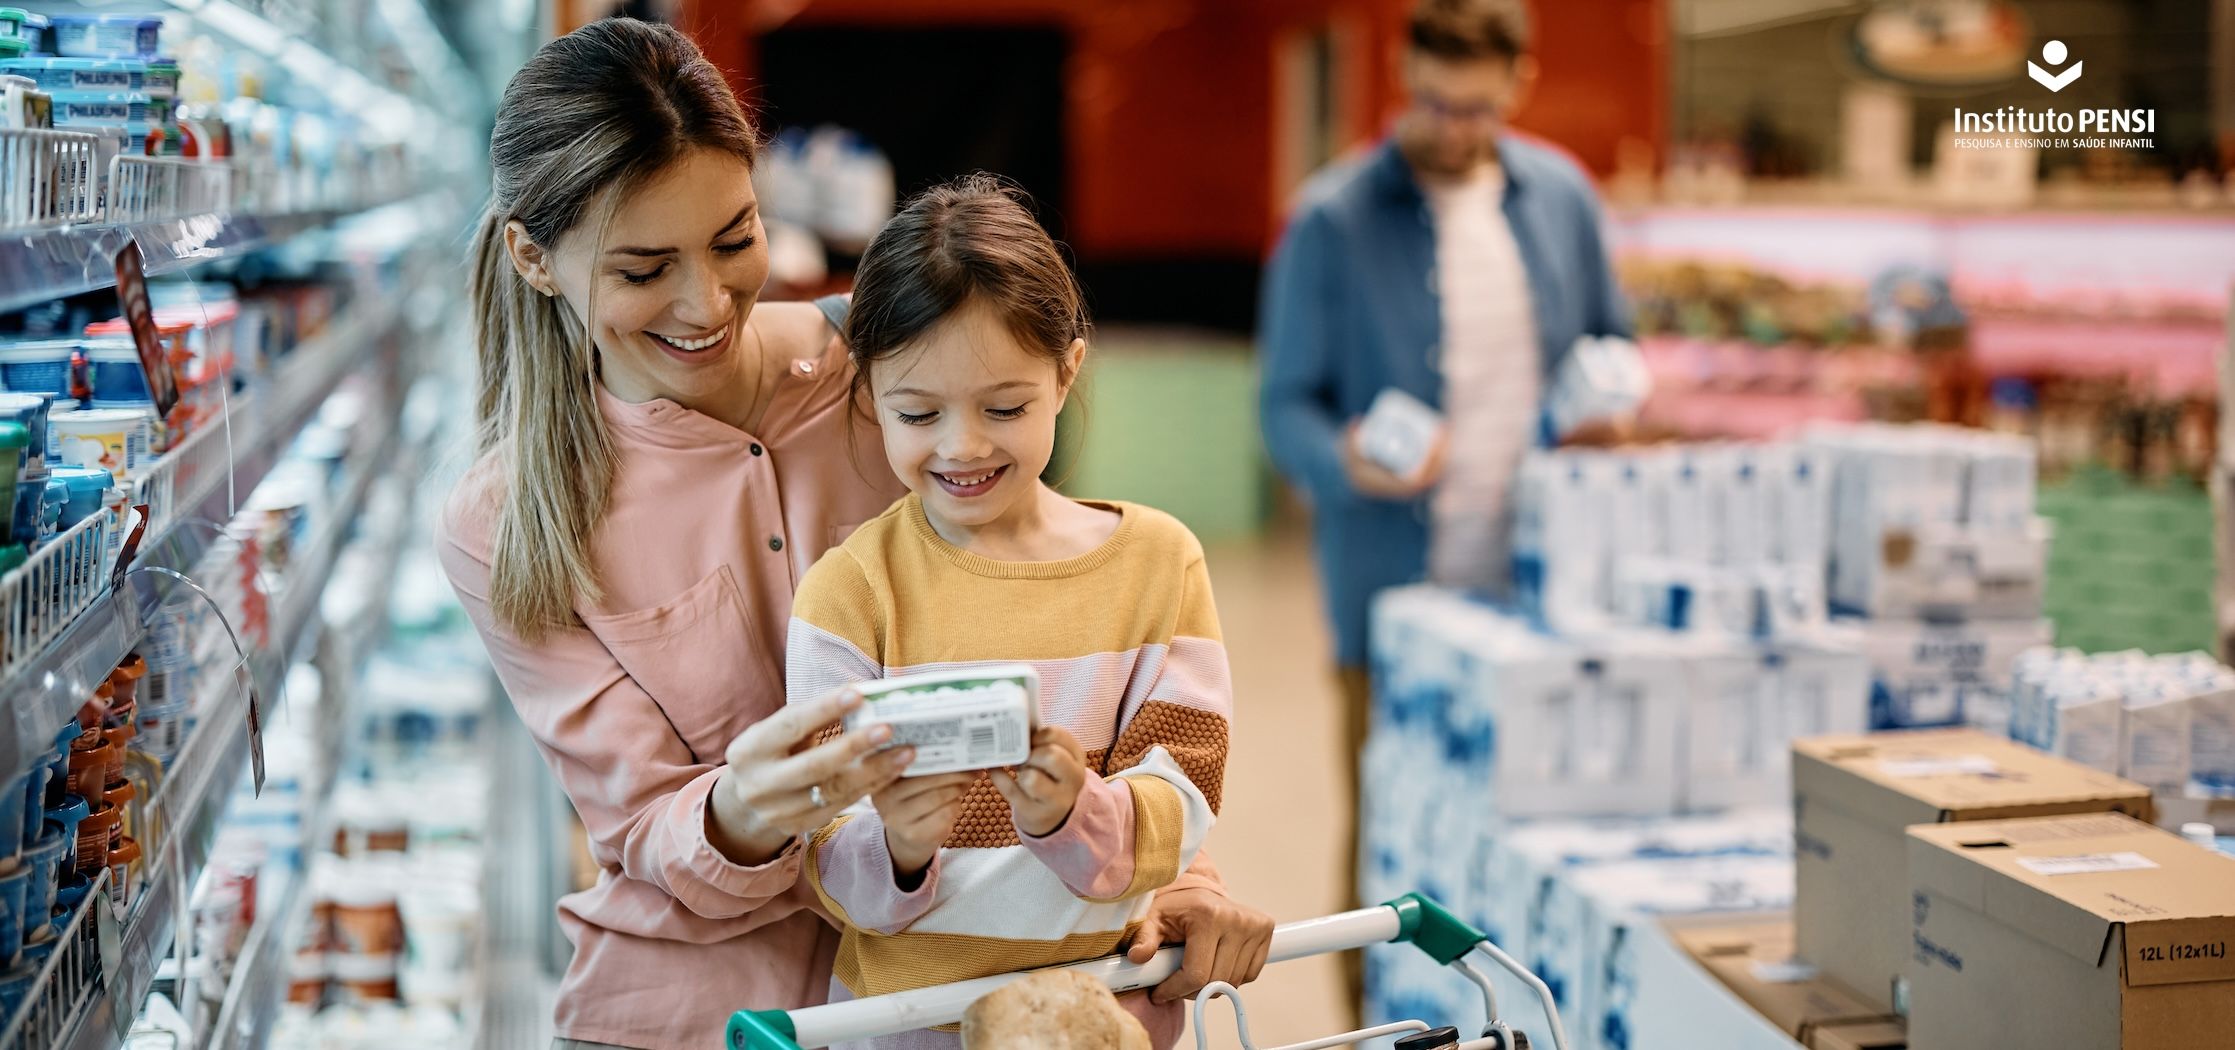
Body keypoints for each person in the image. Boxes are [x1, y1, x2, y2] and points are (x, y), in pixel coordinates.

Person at [439, 20, 1270, 1050]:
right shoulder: (505, 521)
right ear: (534, 257)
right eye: (644, 269)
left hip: (978, 999)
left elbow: (1083, 641)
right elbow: (642, 822)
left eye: (735, 239)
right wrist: (746, 807)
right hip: (703, 1011)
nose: (707, 303)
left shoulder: (891, 380)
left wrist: (1176, 873)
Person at [787, 176, 1240, 1050]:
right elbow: (821, 856)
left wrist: (1070, 817)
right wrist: (898, 848)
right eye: (917, 412)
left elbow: (1180, 807)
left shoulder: (1156, 564)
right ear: (868, 389)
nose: (962, 446)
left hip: (1096, 1021)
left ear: (1067, 371)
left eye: (1005, 407)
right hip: (900, 1029)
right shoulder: (849, 591)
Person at [1254, 0, 1632, 1005]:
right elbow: (1282, 405)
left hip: (1544, 593)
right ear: (1403, 76)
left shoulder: (1564, 198)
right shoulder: (1332, 219)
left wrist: (1613, 412)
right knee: (1388, 836)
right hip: (1396, 598)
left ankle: (1508, 1014)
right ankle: (1370, 1021)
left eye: (1476, 108)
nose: (1454, 128)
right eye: (1431, 102)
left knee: (1529, 831)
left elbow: (1613, 345)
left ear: (1520, 84)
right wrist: (1347, 462)